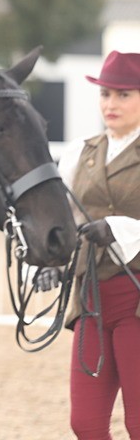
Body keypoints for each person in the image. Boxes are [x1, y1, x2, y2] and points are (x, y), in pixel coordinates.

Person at [49, 50, 140, 440]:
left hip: (135, 299)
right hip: (90, 298)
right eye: (105, 95)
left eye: (123, 95)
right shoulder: (78, 154)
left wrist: (118, 228)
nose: (110, 104)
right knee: (84, 423)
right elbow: (66, 220)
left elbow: (109, 224)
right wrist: (50, 261)